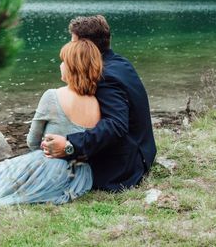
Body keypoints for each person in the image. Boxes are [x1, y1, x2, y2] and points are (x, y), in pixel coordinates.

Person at [0, 39, 103, 217]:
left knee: (3, 171)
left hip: (53, 168)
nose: (60, 65)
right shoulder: (97, 103)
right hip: (81, 175)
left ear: (72, 66)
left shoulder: (52, 96)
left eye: (63, 61)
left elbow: (32, 141)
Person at [43, 15, 157, 192]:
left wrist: (69, 145)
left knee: (52, 165)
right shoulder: (120, 63)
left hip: (125, 169)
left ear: (85, 45)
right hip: (142, 152)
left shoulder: (104, 76)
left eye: (73, 41)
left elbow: (116, 125)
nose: (70, 46)